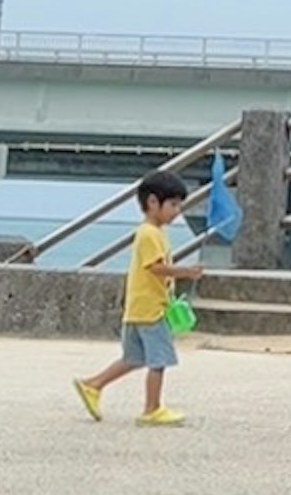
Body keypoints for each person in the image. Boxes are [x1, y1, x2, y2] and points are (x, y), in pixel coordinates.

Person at [71, 170, 203, 427]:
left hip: (138, 308)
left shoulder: (150, 233)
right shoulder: (150, 234)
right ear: (153, 202)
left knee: (133, 358)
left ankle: (93, 385)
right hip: (152, 311)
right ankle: (151, 409)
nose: (177, 211)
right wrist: (185, 272)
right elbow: (154, 267)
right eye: (173, 205)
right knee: (159, 360)